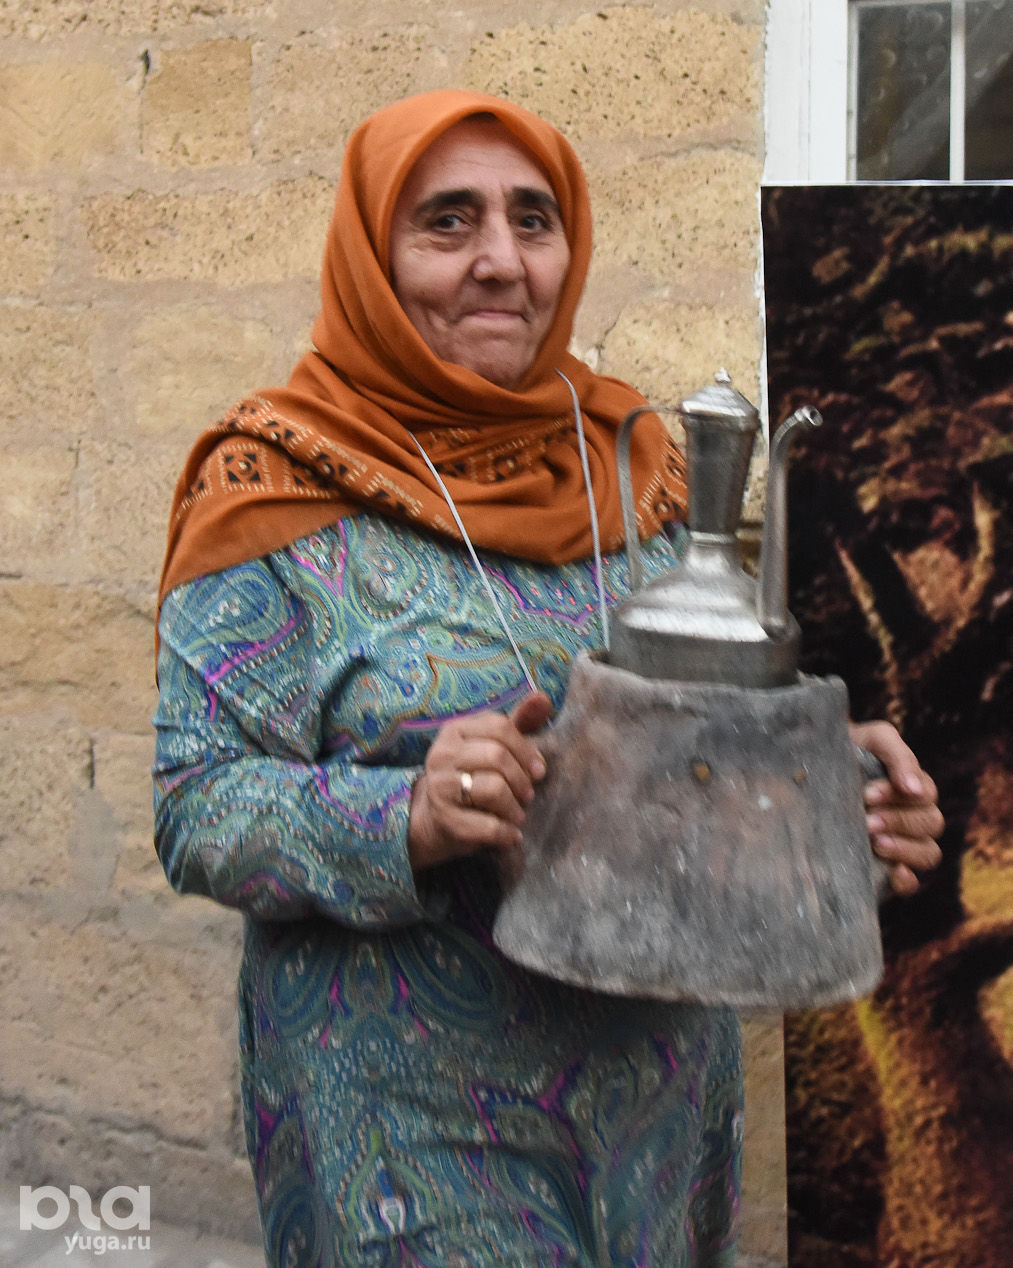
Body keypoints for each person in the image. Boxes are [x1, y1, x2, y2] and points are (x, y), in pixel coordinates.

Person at [153, 90, 942, 1267]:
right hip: (404, 1105)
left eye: (533, 219)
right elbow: (195, 804)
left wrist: (824, 797)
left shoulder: (634, 468)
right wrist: (406, 814)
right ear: (372, 252)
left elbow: (690, 760)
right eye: (448, 221)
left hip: (654, 1098)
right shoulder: (272, 488)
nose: (500, 260)